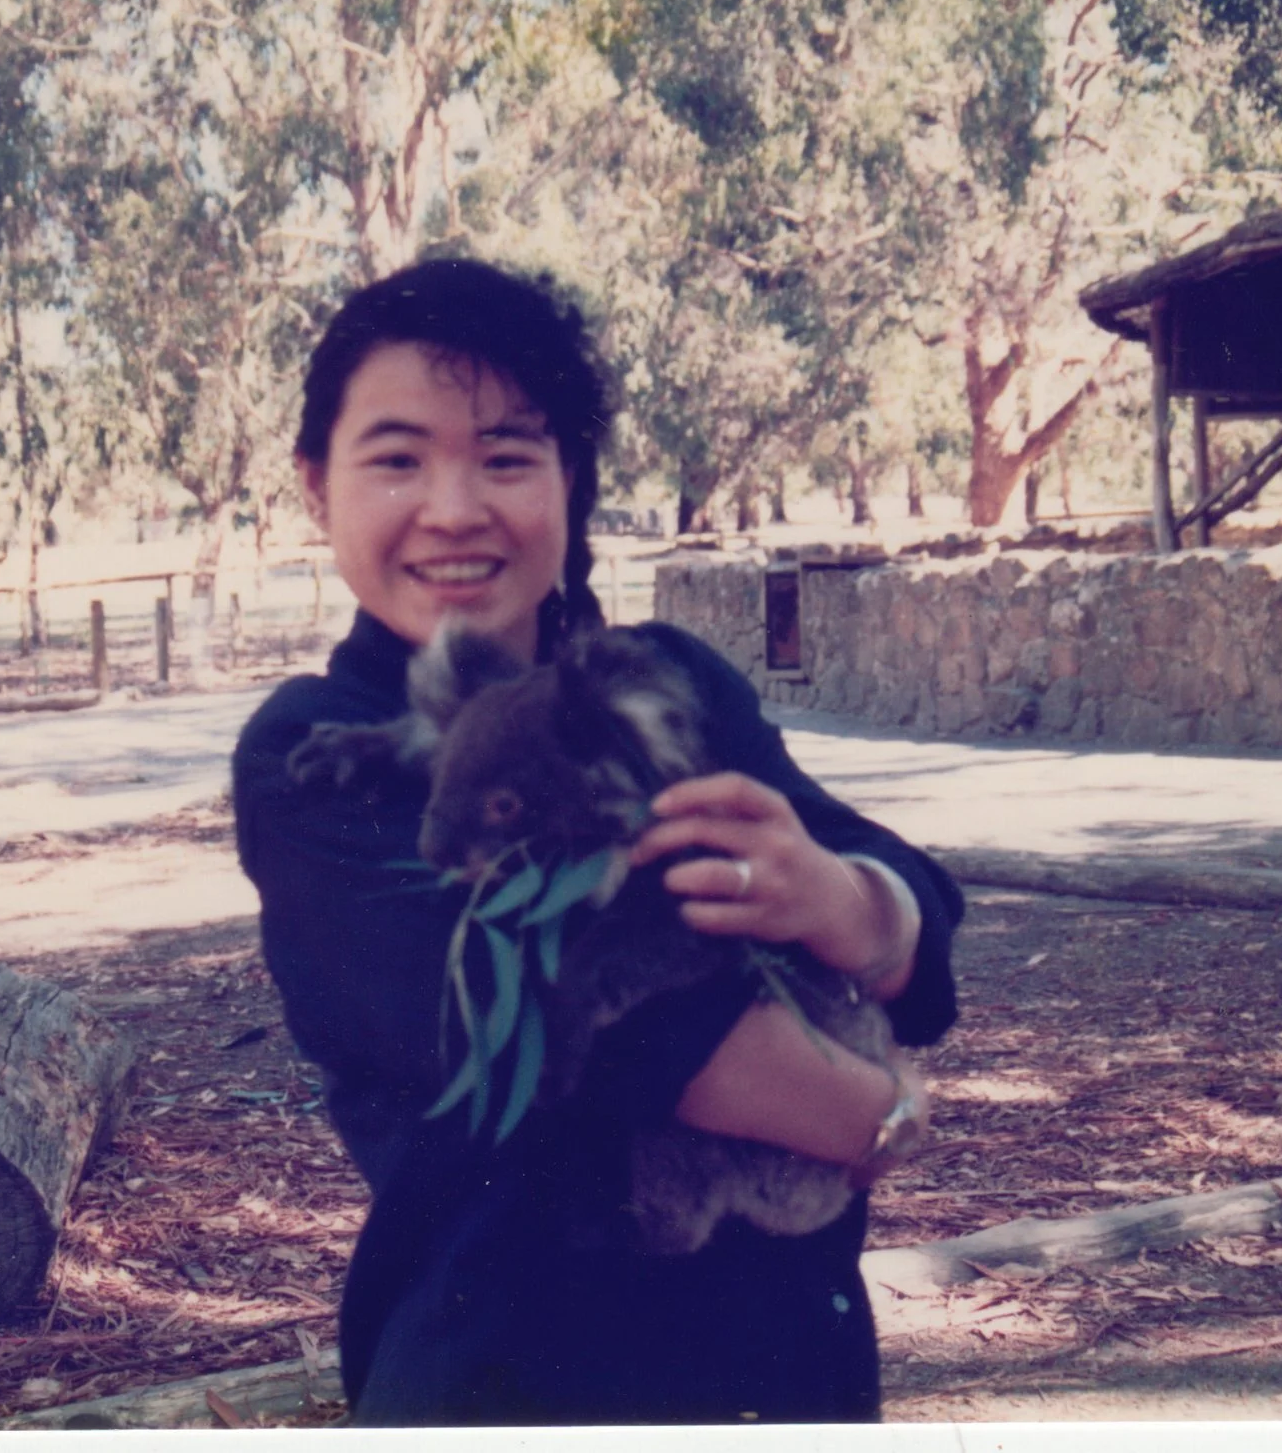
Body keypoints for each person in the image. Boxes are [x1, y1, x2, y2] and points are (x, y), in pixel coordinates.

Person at [231, 259, 962, 1425]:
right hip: (508, 1376)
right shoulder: (315, 754)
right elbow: (599, 1028)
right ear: (316, 485)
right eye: (397, 458)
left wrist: (847, 905)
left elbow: (915, 915)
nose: (454, 508)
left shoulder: (666, 682)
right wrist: (874, 1113)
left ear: (571, 478)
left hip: (794, 1368)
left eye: (507, 455)